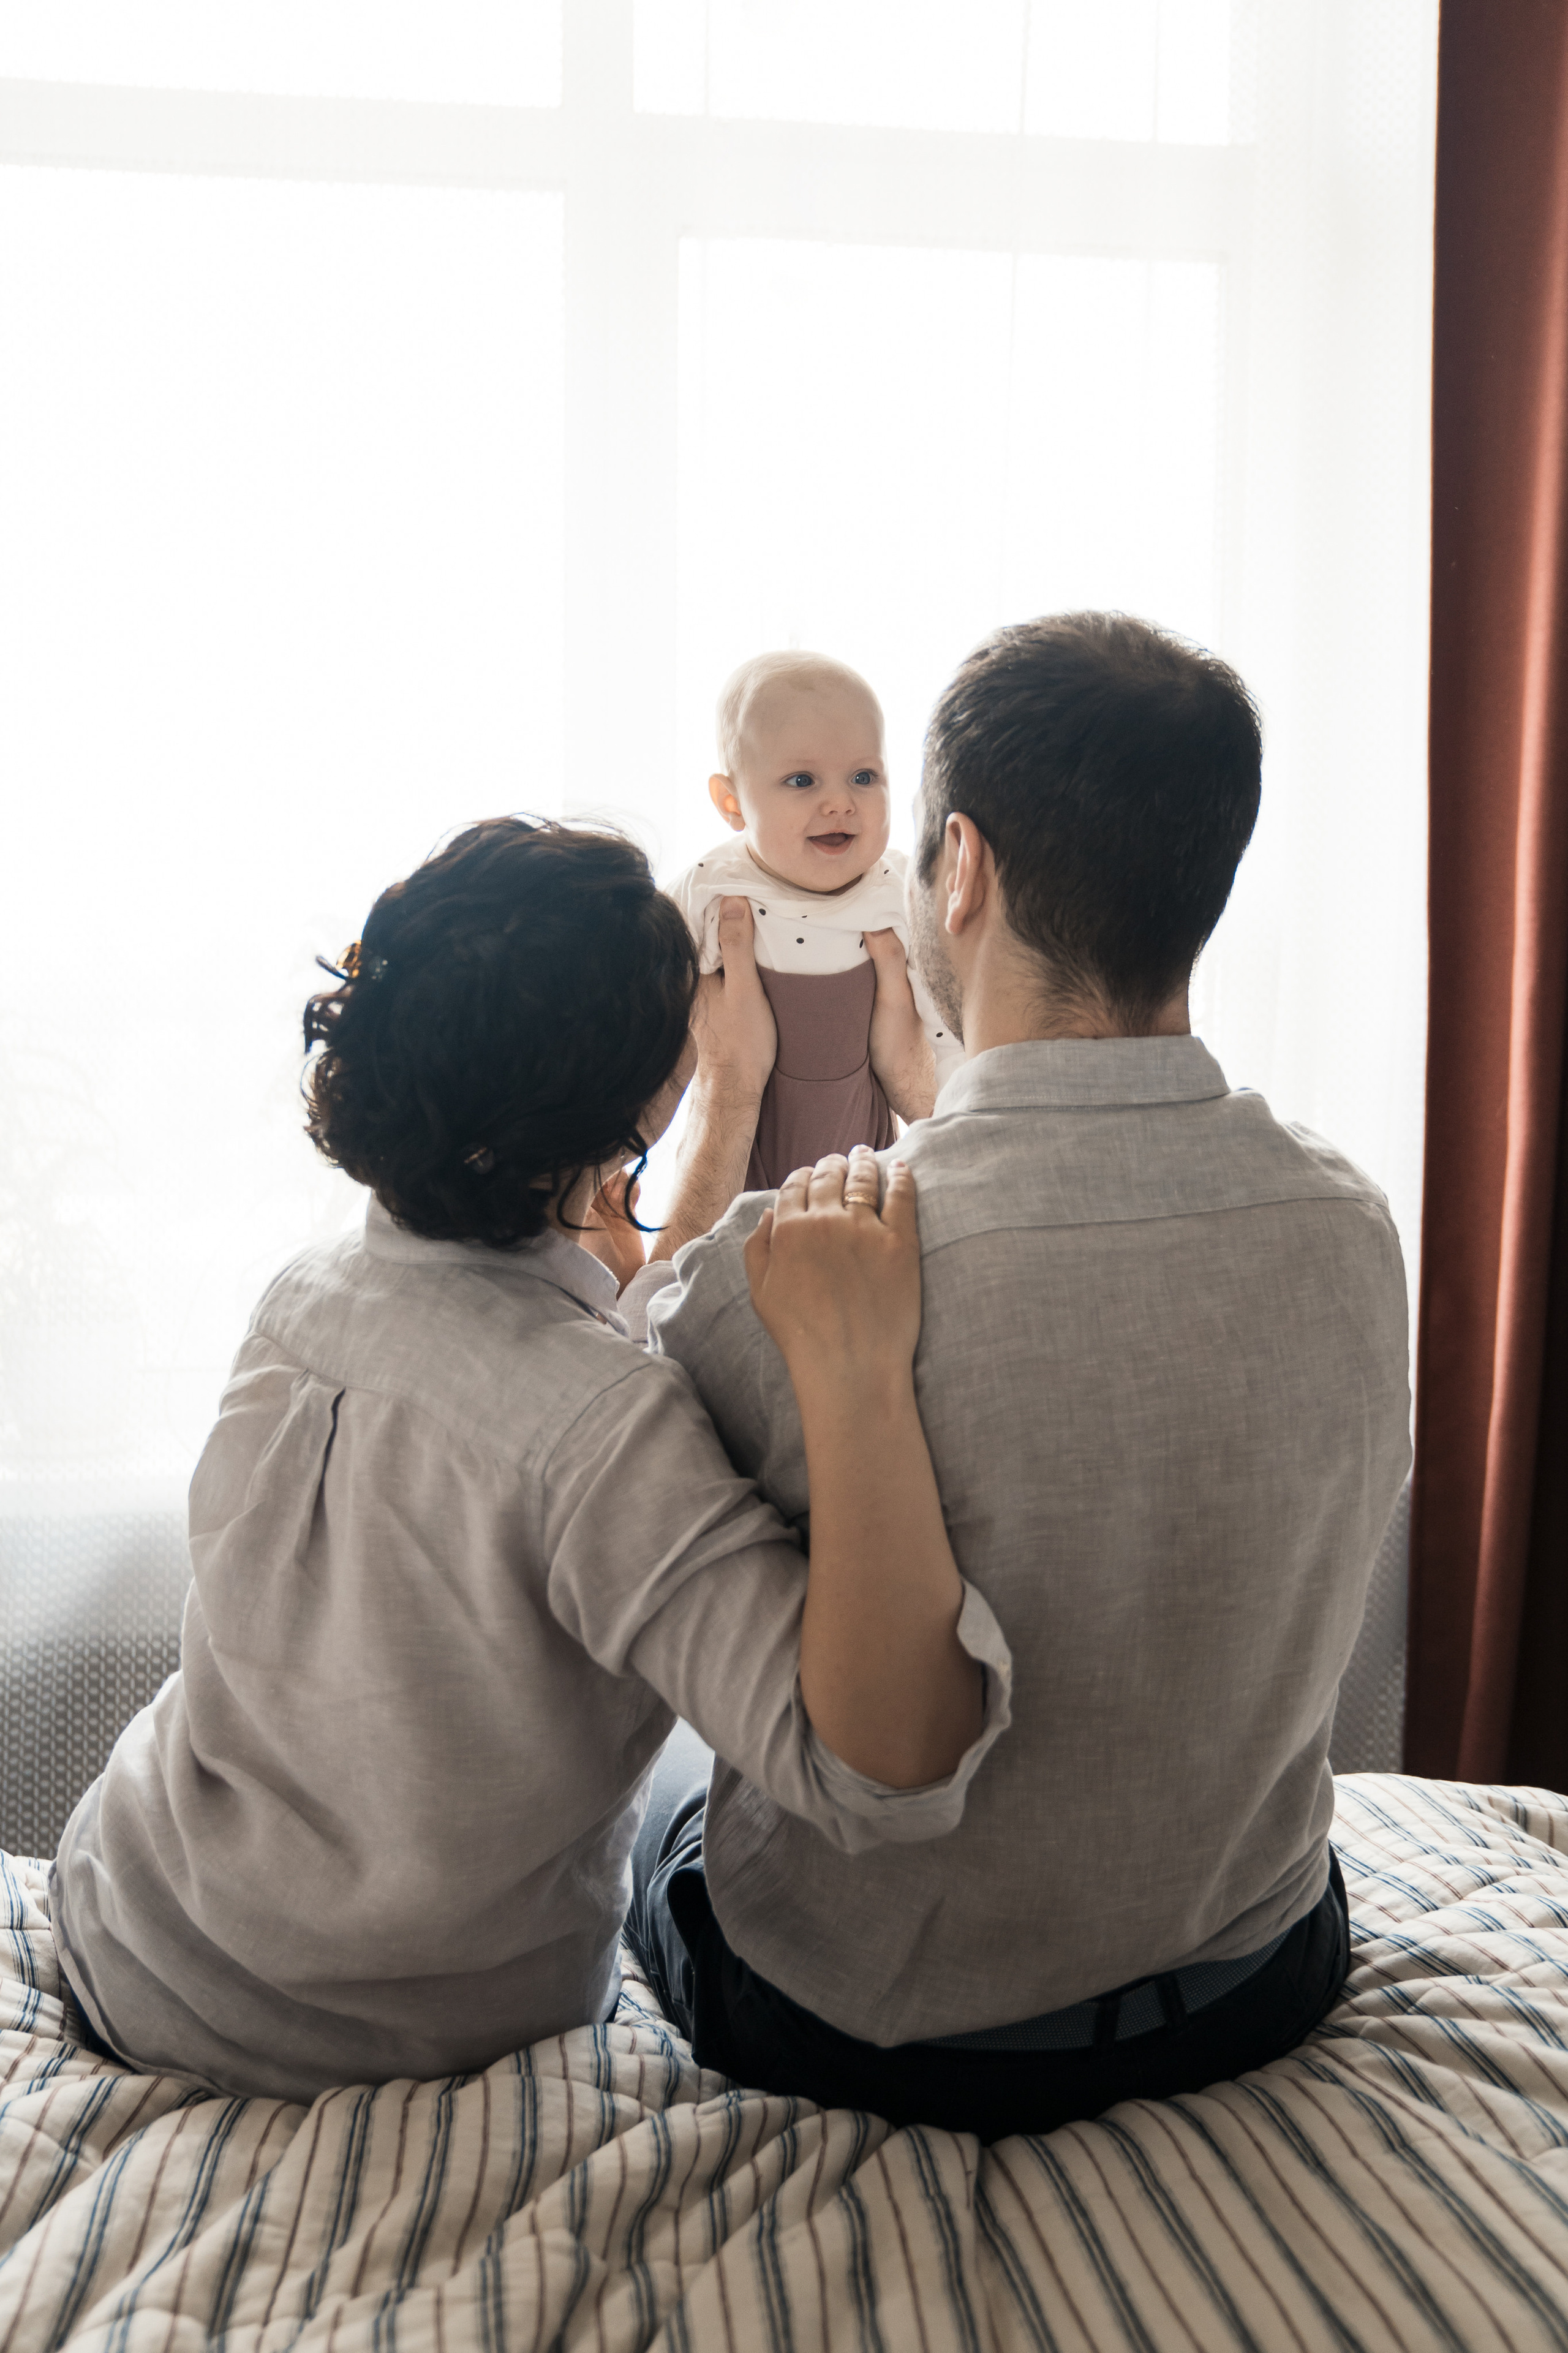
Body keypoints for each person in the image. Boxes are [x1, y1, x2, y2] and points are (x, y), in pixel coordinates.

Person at [48, 817, 1010, 2104]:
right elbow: (875, 1772)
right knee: (702, 1808)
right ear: (627, 1120)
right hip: (397, 2034)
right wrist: (856, 1374)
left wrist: (712, 1110)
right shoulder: (605, 1431)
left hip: (136, 1925)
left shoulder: (299, 1303)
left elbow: (541, 1377)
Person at [627, 613, 1413, 2143]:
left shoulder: (793, 1259)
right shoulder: (1353, 1222)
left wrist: (723, 1099)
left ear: (962, 866)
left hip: (891, 2032)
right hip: (1254, 1973)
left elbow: (591, 1441)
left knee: (662, 1786)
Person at [665, 651, 962, 1189]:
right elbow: (644, 1006)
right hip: (737, 1168)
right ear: (732, 801)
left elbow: (949, 1034)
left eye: (864, 776)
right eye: (802, 780)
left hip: (866, 1161)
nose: (840, 802)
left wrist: (961, 1121)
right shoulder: (714, 889)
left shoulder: (899, 892)